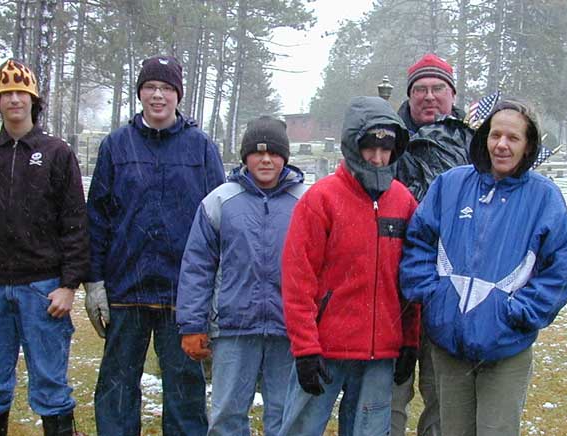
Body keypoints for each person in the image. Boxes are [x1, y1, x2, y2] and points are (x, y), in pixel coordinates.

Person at [400, 98, 567, 436]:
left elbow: (559, 270)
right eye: (495, 135)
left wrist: (515, 313)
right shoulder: (451, 185)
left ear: (528, 147)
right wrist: (435, 298)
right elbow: (419, 241)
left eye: (513, 138)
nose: (502, 145)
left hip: (505, 346)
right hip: (449, 342)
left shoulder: (544, 198)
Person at [0, 59, 88, 436]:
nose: (13, 99)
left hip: (43, 289)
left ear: (33, 99)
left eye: (21, 92)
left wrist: (69, 285)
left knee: (51, 385)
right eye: (5, 93)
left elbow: (75, 223)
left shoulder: (57, 153)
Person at [85, 55, 225, 435]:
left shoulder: (201, 148)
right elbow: (97, 218)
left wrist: (214, 287)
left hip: (182, 294)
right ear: (140, 93)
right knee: (116, 387)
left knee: (185, 392)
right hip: (125, 291)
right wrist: (94, 282)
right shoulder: (116, 146)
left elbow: (219, 222)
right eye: (150, 88)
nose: (158, 96)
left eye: (166, 88)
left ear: (178, 95)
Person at [277, 96, 420, 436]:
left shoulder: (403, 202)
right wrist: (305, 348)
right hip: (325, 347)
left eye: (386, 150)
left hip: (381, 350)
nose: (378, 157)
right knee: (301, 427)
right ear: (353, 145)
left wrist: (409, 340)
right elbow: (298, 279)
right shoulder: (321, 200)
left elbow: (411, 279)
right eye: (370, 148)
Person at [176, 115, 305, 436]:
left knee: (286, 416)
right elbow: (197, 267)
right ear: (245, 156)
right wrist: (192, 324)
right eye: (257, 152)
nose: (265, 159)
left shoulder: (305, 203)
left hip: (288, 329)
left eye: (273, 153)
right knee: (227, 416)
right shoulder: (219, 201)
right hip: (233, 327)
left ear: (284, 158)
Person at [391, 52, 472, 436]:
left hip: (450, 287)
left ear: (452, 94)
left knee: (445, 397)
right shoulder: (387, 137)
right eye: (420, 89)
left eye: (438, 88)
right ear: (408, 96)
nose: (429, 96)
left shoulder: (474, 144)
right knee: (389, 391)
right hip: (392, 285)